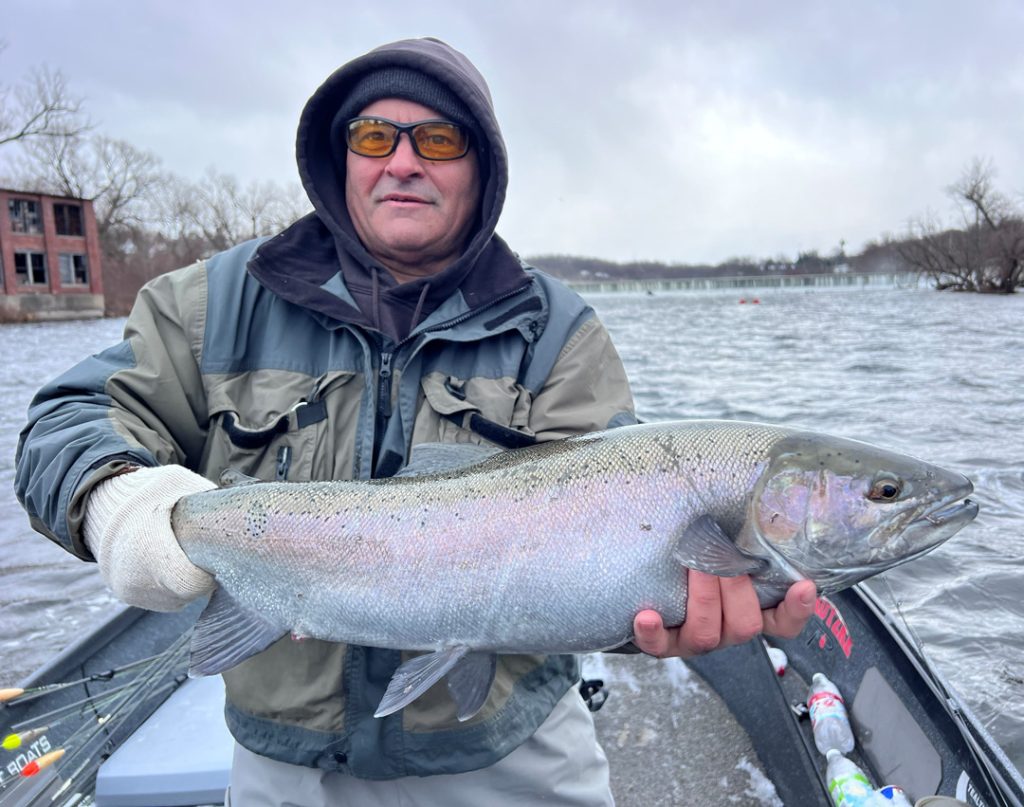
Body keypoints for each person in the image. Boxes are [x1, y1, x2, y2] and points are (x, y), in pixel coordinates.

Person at [14, 37, 815, 805]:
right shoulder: (209, 305)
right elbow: (64, 419)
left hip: (509, 749)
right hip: (283, 760)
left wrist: (660, 614)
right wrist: (117, 500)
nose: (402, 161)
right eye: (374, 135)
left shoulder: (557, 333)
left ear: (481, 169)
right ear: (342, 157)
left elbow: (608, 563)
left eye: (436, 139)